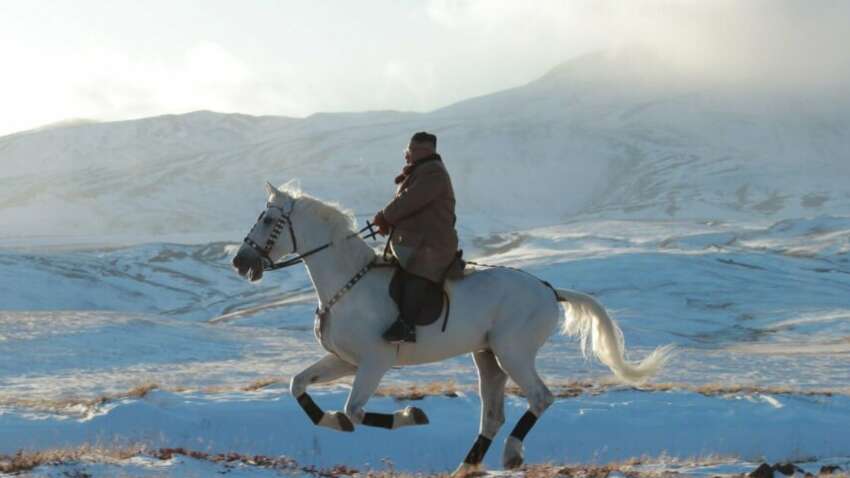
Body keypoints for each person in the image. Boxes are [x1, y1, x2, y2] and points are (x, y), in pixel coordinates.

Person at [372, 132, 459, 343]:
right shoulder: (421, 171)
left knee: (416, 273)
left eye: (410, 150)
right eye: (407, 150)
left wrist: (386, 216)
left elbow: (410, 201)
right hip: (417, 241)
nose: (406, 155)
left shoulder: (433, 173)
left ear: (425, 151)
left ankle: (406, 326)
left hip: (432, 245)